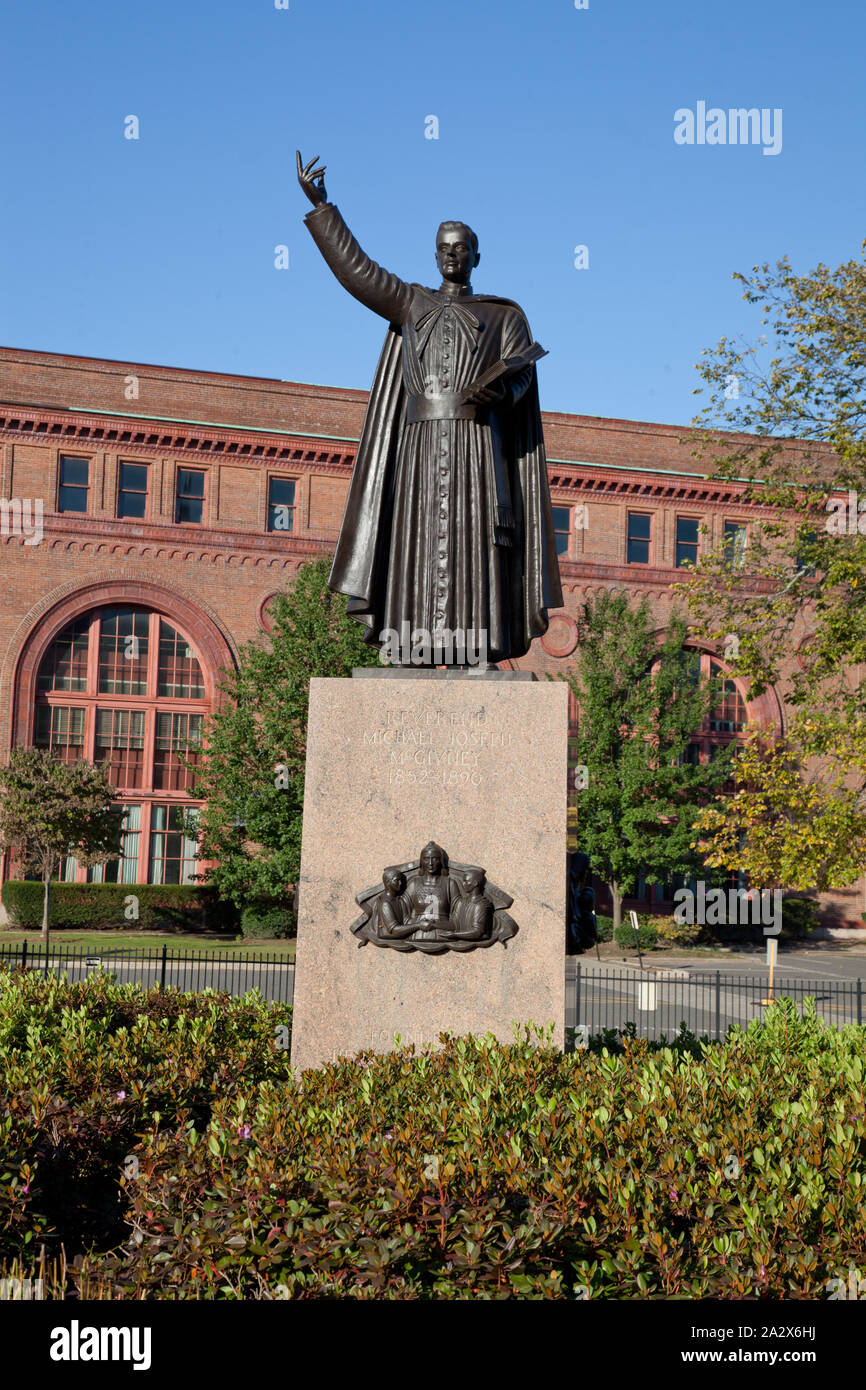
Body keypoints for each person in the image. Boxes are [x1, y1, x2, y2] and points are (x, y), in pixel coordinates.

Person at [297, 151, 564, 666]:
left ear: (476, 257)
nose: (451, 256)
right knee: (415, 540)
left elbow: (522, 374)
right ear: (434, 254)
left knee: (473, 546)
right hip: (418, 445)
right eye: (444, 248)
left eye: (461, 248)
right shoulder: (412, 302)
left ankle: (476, 647)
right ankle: (410, 646)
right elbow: (360, 274)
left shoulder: (502, 315)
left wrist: (500, 392)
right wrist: (323, 208)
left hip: (477, 446)